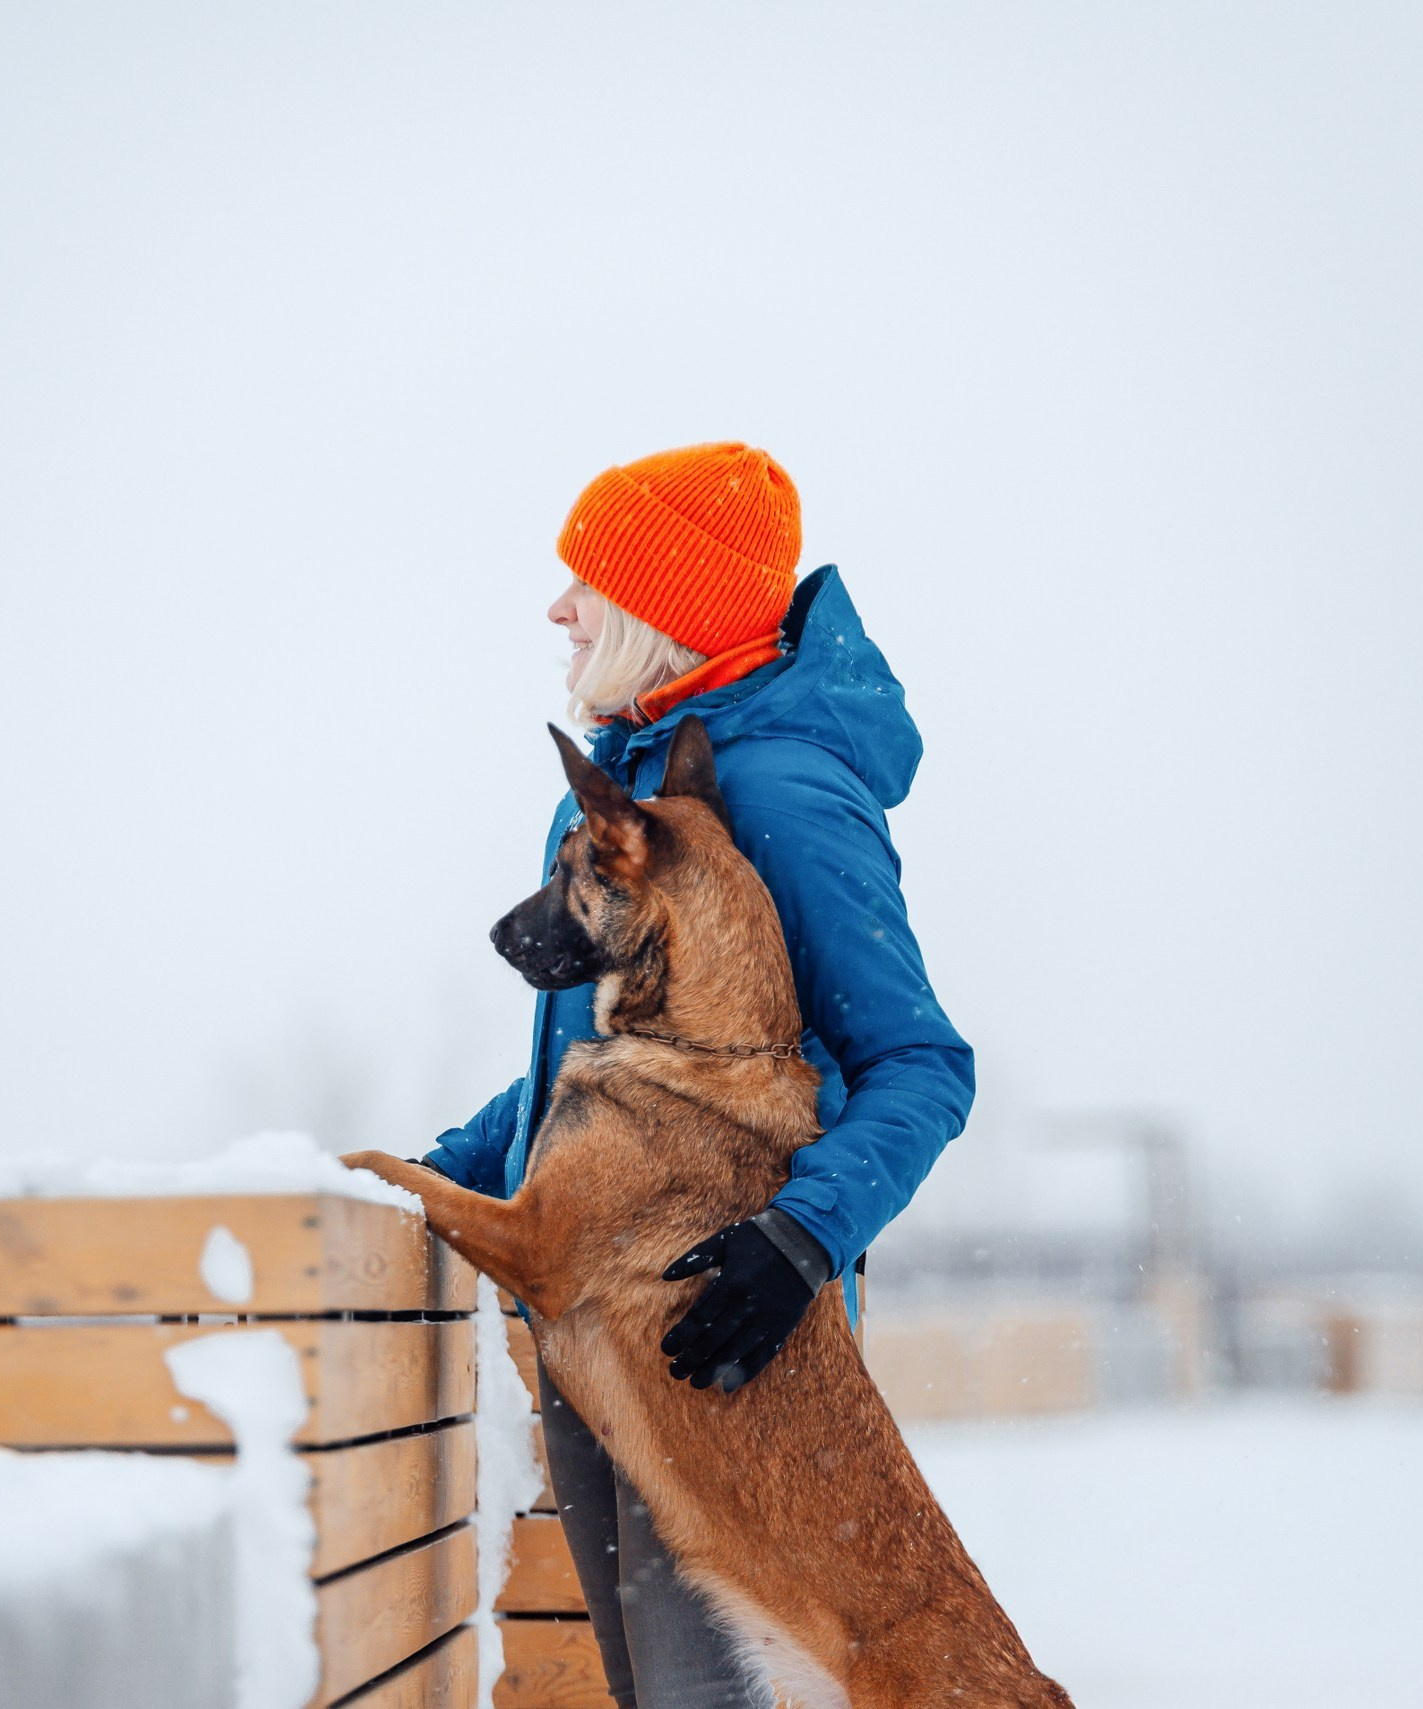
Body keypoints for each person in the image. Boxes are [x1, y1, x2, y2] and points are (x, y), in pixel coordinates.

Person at [423, 442, 975, 1709]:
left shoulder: (776, 789)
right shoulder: (648, 779)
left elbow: (919, 1062)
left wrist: (797, 1238)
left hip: (718, 1317)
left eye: (588, 580)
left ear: (663, 608)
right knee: (648, 1684)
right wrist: (447, 1168)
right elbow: (622, 1064)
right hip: (601, 1295)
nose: (559, 609)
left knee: (697, 1693)